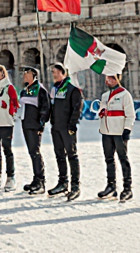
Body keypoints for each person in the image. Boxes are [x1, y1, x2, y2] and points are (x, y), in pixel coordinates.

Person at [97, 71, 135, 201]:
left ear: (116, 79)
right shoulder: (105, 95)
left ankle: (127, 188)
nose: (108, 81)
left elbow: (130, 114)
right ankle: (111, 186)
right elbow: (102, 109)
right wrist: (101, 111)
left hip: (119, 132)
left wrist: (127, 129)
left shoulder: (125, 94)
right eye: (107, 78)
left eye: (111, 78)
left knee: (123, 159)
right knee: (109, 159)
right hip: (106, 132)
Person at [47, 63, 82, 201]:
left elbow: (77, 107)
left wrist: (72, 125)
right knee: (59, 155)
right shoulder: (54, 89)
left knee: (72, 155)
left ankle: (75, 185)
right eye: (53, 73)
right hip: (56, 127)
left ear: (64, 73)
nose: (54, 75)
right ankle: (63, 182)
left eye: (56, 72)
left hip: (67, 128)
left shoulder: (72, 89)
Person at [19, 65, 51, 195]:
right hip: (26, 124)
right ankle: (36, 178)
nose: (24, 76)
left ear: (33, 75)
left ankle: (41, 181)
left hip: (34, 125)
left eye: (26, 73)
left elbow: (46, 108)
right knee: (32, 152)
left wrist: (41, 125)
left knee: (35, 152)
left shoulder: (40, 89)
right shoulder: (25, 90)